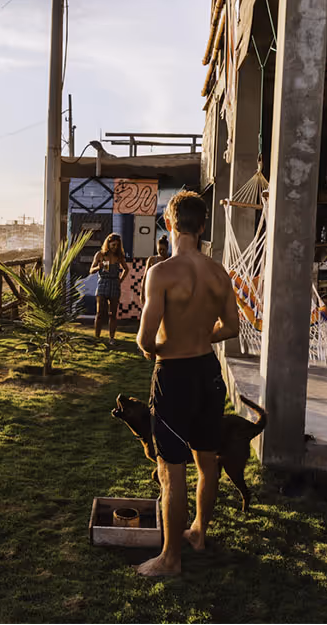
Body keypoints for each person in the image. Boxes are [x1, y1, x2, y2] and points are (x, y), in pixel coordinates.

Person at [135, 190, 240, 577]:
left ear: (169, 222)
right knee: (207, 462)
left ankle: (170, 558)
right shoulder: (219, 274)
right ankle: (197, 533)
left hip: (175, 375)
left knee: (171, 470)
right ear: (201, 226)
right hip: (208, 372)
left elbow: (145, 340)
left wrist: (163, 344)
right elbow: (229, 327)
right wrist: (200, 335)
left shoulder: (161, 273)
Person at [89, 233, 129, 346]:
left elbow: (126, 269)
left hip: (114, 284)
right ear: (108, 243)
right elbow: (91, 270)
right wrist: (98, 267)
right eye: (113, 245)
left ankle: (111, 338)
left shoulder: (119, 256)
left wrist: (120, 280)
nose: (115, 247)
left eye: (117, 245)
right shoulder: (100, 254)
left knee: (113, 313)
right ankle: (97, 337)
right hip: (103, 283)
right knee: (100, 313)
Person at [141, 234, 170, 307]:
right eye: (159, 249)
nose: (161, 251)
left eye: (163, 249)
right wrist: (142, 293)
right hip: (152, 289)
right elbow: (145, 277)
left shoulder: (170, 261)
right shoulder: (152, 260)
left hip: (165, 291)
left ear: (167, 248)